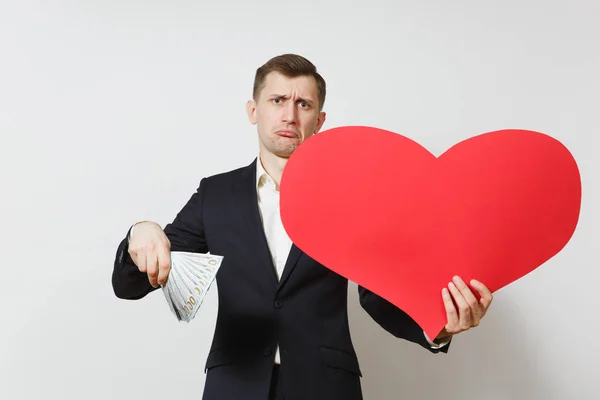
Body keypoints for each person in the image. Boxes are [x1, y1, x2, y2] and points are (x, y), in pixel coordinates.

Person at [112, 53, 493, 400]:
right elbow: (136, 280)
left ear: (320, 120)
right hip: (235, 386)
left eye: (303, 104)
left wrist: (437, 328)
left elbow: (376, 295)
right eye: (277, 100)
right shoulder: (216, 194)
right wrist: (140, 233)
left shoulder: (351, 199)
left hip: (325, 387)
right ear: (253, 110)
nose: (289, 115)